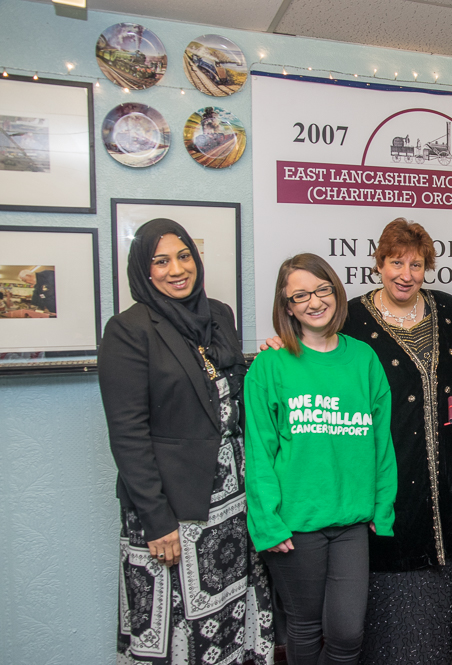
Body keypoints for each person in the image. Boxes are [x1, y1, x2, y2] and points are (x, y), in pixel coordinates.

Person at [97, 218, 273, 665]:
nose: (177, 269)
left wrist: (272, 363)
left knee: (231, 610)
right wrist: (157, 521)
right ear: (144, 270)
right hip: (173, 507)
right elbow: (128, 434)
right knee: (177, 623)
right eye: (161, 261)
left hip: (235, 497)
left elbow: (227, 388)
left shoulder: (219, 314)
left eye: (184, 256)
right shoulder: (128, 330)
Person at [244, 253, 397, 665]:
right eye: (300, 295)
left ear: (336, 291)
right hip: (295, 522)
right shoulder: (269, 365)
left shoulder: (363, 358)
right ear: (287, 306)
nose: (314, 302)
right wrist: (267, 522)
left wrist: (382, 505)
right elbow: (258, 451)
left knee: (347, 634)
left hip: (351, 520)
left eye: (322, 289)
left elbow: (381, 441)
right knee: (306, 627)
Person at [342, 219, 452, 665]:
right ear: (379, 263)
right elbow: (320, 360)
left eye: (416, 265)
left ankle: (433, 652)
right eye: (396, 263)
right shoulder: (351, 317)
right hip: (385, 460)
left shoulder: (448, 309)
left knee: (437, 555)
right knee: (387, 551)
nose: (406, 274)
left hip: (443, 461)